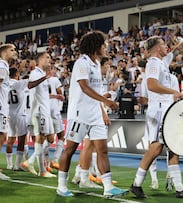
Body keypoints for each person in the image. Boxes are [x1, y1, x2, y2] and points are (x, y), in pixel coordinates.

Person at [130, 27, 183, 199]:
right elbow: (152, 85)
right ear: (156, 48)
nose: (166, 47)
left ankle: (179, 188)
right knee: (156, 148)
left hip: (167, 109)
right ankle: (136, 183)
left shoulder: (162, 61)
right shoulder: (154, 63)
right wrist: (173, 92)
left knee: (173, 147)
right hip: (159, 110)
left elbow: (178, 48)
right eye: (163, 44)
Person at [56, 31, 128, 198]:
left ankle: (108, 187)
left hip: (95, 114)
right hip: (80, 114)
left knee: (102, 150)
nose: (106, 47)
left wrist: (106, 99)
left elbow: (95, 91)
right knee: (70, 149)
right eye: (103, 45)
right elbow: (85, 87)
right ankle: (61, 186)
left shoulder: (96, 64)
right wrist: (106, 100)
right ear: (96, 46)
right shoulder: (82, 63)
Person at [21, 52, 56, 178]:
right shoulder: (36, 73)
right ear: (40, 60)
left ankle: (31, 161)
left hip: (45, 111)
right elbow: (30, 85)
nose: (49, 59)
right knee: (40, 138)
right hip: (39, 111)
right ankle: (41, 170)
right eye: (47, 57)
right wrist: (45, 78)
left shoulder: (42, 74)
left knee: (51, 139)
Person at [0, 44, 18, 180]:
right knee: (1, 137)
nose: (15, 52)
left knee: (3, 137)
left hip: (3, 108)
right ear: (4, 53)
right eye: (12, 50)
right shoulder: (2, 66)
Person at [6, 68, 29, 171]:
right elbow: (32, 81)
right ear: (16, 74)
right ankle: (17, 165)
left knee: (10, 140)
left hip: (9, 115)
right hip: (20, 115)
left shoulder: (5, 85)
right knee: (21, 140)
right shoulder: (20, 84)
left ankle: (9, 164)